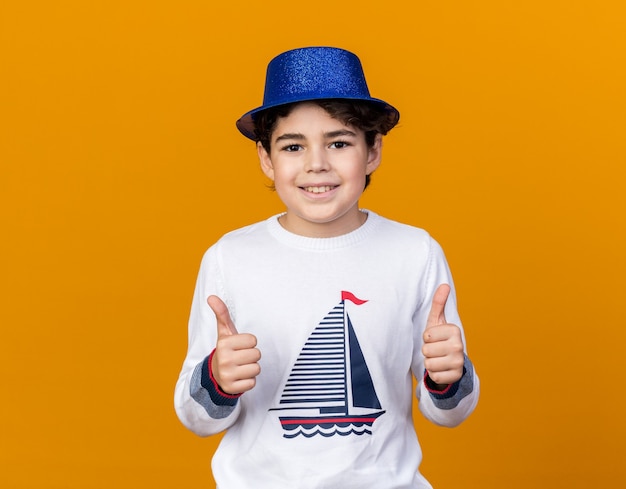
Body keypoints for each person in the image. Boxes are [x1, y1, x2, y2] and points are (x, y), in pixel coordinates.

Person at [174, 46, 480, 488]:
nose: (316, 163)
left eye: (339, 143)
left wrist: (448, 377)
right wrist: (218, 380)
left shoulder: (414, 252)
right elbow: (197, 419)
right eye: (293, 146)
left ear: (373, 151)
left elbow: (449, 414)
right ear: (266, 158)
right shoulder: (231, 258)